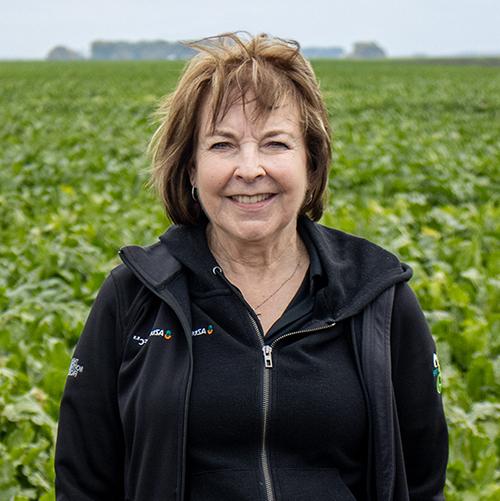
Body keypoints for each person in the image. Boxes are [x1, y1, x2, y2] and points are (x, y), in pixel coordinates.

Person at [55, 33, 448, 500]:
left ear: (311, 162)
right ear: (190, 168)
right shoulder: (133, 297)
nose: (249, 168)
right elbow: (83, 482)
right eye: (222, 145)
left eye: (275, 144)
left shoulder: (379, 297)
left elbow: (422, 480)